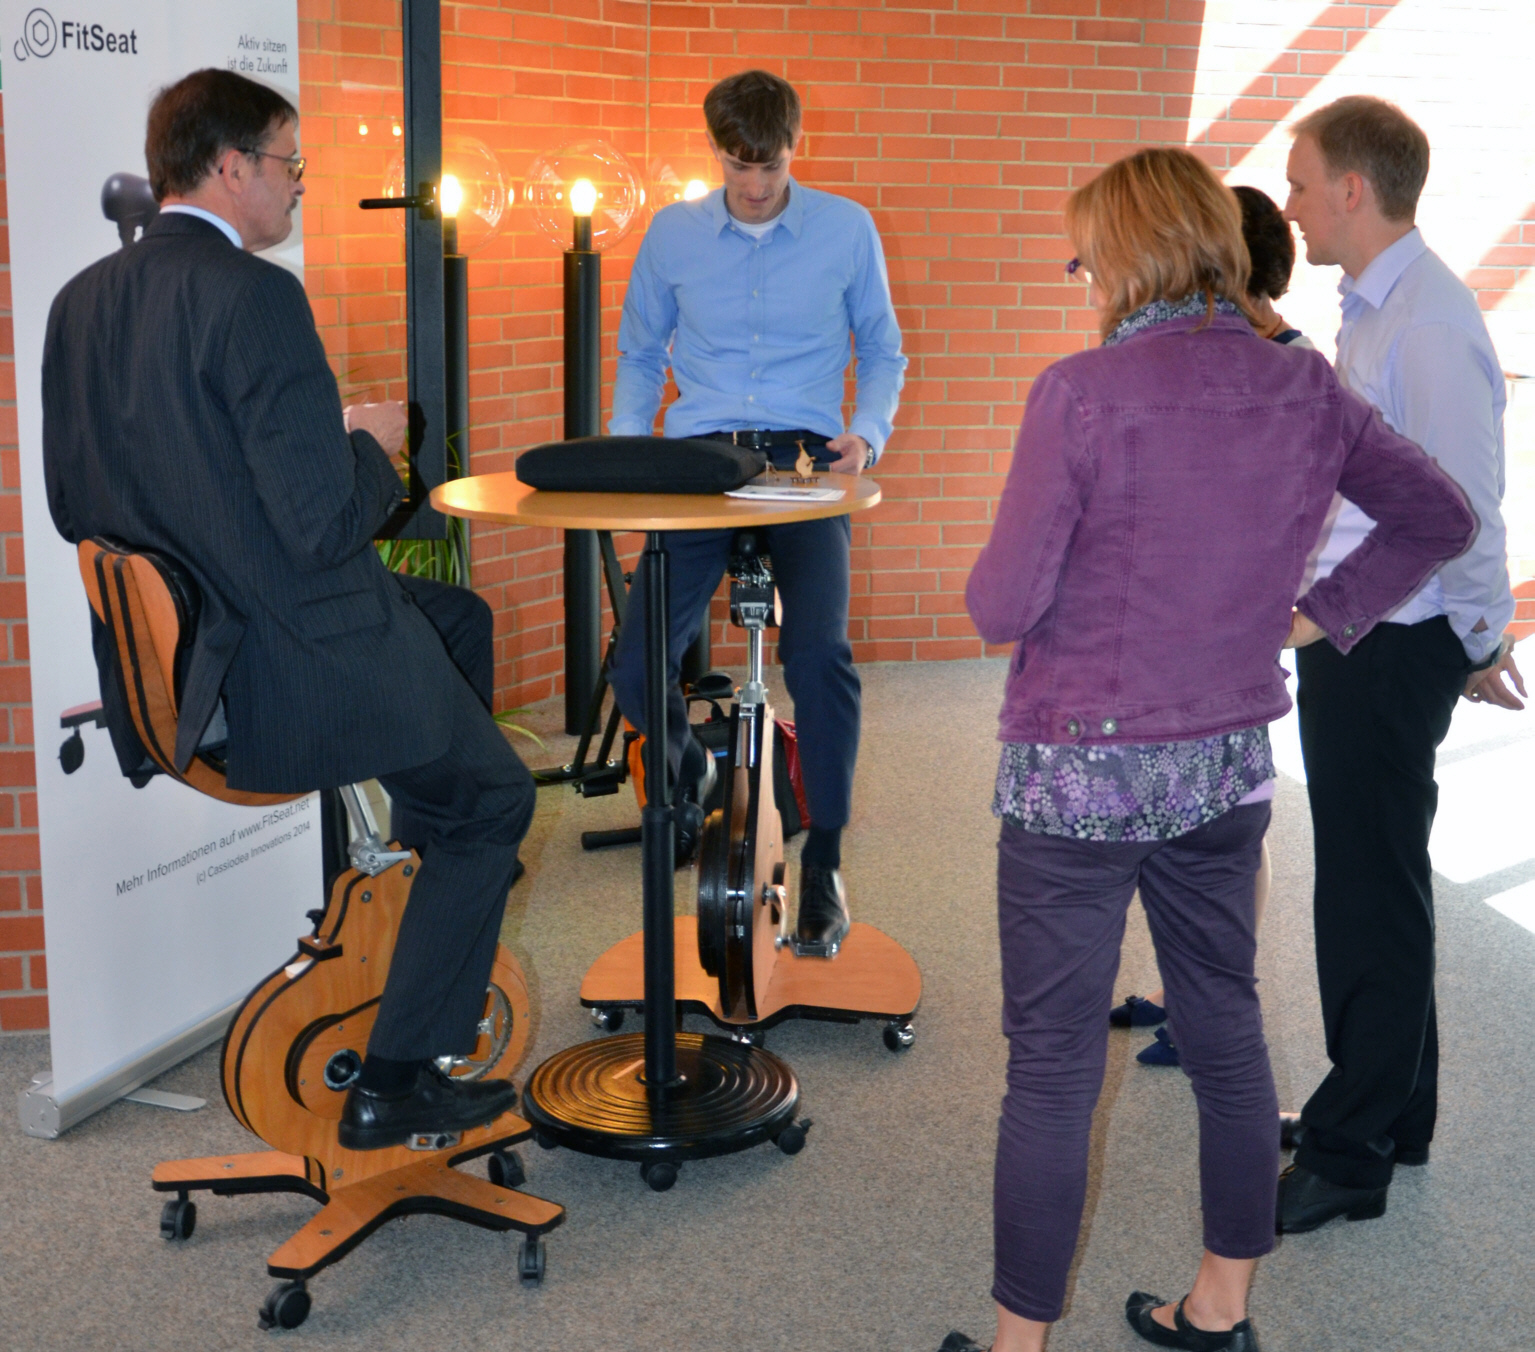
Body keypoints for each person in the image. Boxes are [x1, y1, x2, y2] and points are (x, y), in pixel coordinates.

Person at [942, 147, 1475, 1352]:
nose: (1084, 279)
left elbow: (999, 603)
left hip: (1075, 776)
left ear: (1127, 255)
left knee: (1053, 1067)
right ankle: (1219, 1305)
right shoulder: (1305, 388)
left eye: (1088, 254)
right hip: (1221, 767)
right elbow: (1438, 515)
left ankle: (1016, 1346)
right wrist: (1315, 615)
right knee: (1225, 1026)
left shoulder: (1079, 392)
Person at [42, 69, 534, 1151]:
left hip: (185, 669)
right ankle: (399, 1075)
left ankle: (418, 888)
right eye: (290, 163)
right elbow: (323, 528)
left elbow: (71, 505)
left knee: (460, 621)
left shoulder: (80, 301)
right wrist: (371, 441)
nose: (300, 187)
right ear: (230, 168)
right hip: (290, 669)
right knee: (495, 799)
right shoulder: (256, 299)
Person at [1276, 95, 1525, 1232]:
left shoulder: (1423, 322)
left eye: (1297, 180)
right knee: (1377, 877)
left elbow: (1465, 509)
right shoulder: (1372, 308)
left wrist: (1476, 642)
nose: (1286, 203)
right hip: (1364, 629)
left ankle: (1351, 1146)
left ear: (1350, 191)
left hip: (1386, 640)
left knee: (1366, 895)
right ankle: (1395, 1108)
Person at [607, 69, 906, 954]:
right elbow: (636, 351)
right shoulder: (672, 234)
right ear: (716, 151)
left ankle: (827, 865)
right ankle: (697, 774)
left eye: (767, 166)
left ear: (793, 148)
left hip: (805, 463)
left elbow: (882, 348)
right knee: (633, 666)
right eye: (737, 166)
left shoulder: (845, 229)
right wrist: (632, 448)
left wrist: (866, 434)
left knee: (820, 656)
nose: (752, 184)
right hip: (695, 460)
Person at [1109, 185, 1310, 1070]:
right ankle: (1175, 984)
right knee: (1172, 814)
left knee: (1227, 825)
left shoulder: (1289, 368)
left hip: (1237, 630)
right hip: (1177, 625)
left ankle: (1206, 1008)